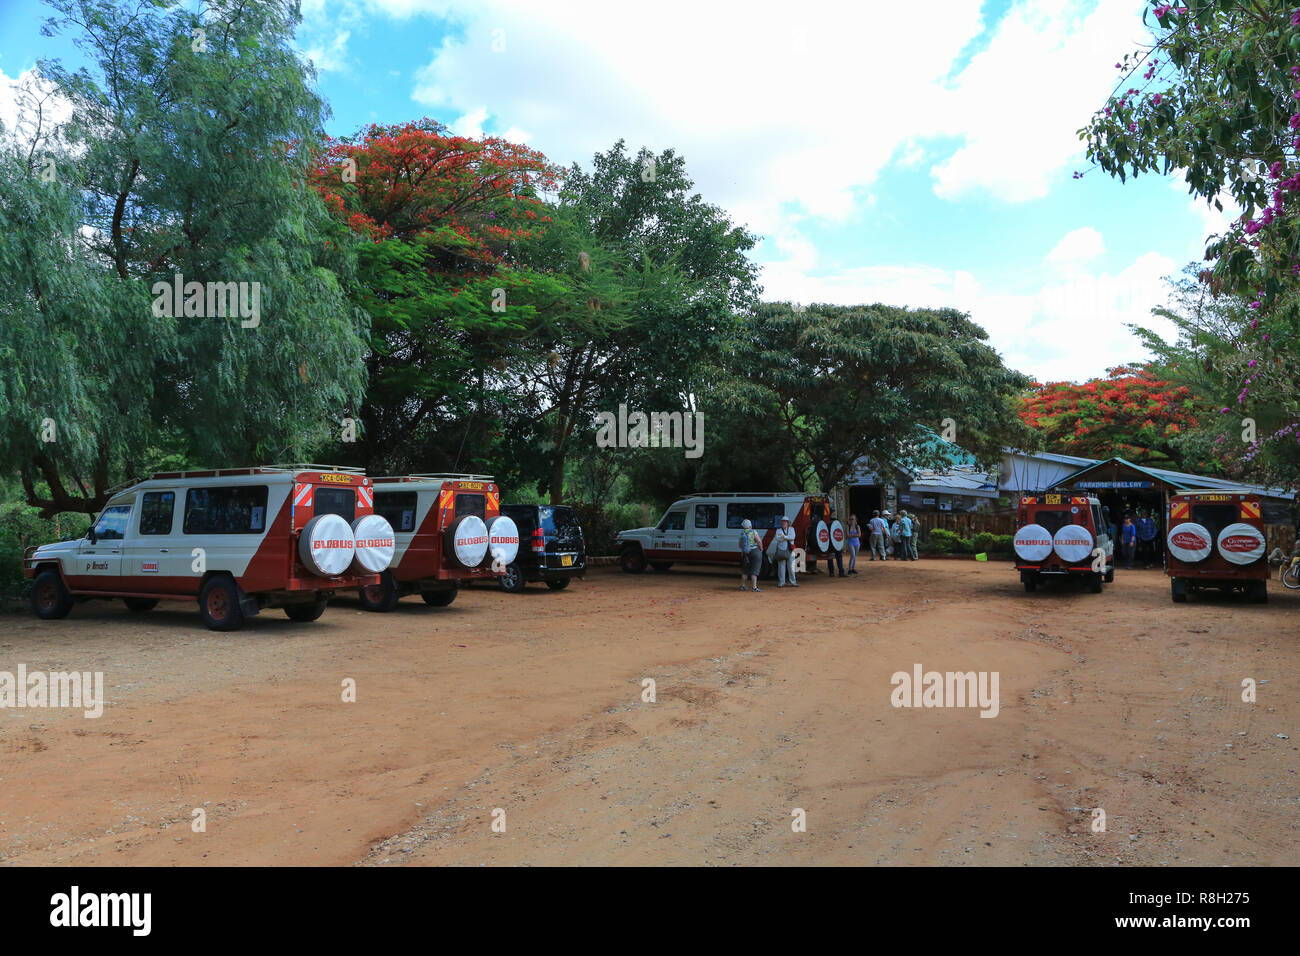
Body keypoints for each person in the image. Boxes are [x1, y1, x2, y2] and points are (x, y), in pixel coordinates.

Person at [772, 515, 798, 587]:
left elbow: (792, 538)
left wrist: (783, 537)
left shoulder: (792, 529)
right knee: (781, 567)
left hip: (790, 550)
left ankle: (793, 582)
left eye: (785, 522)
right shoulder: (778, 530)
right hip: (782, 550)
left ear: (788, 523)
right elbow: (778, 539)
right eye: (783, 522)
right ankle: (781, 582)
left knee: (791, 567)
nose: (784, 523)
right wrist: (786, 537)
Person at [738, 518, 764, 591]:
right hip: (755, 552)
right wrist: (761, 549)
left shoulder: (742, 533)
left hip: (745, 553)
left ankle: (742, 586)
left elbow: (740, 545)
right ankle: (754, 587)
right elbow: (759, 541)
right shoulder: (753, 532)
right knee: (754, 570)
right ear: (750, 525)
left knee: (745, 570)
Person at [824, 506, 846, 577]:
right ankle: (832, 572)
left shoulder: (836, 522)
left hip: (836, 543)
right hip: (830, 543)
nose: (834, 514)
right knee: (831, 558)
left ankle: (840, 572)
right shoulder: (827, 523)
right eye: (833, 513)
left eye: (835, 513)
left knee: (838, 557)